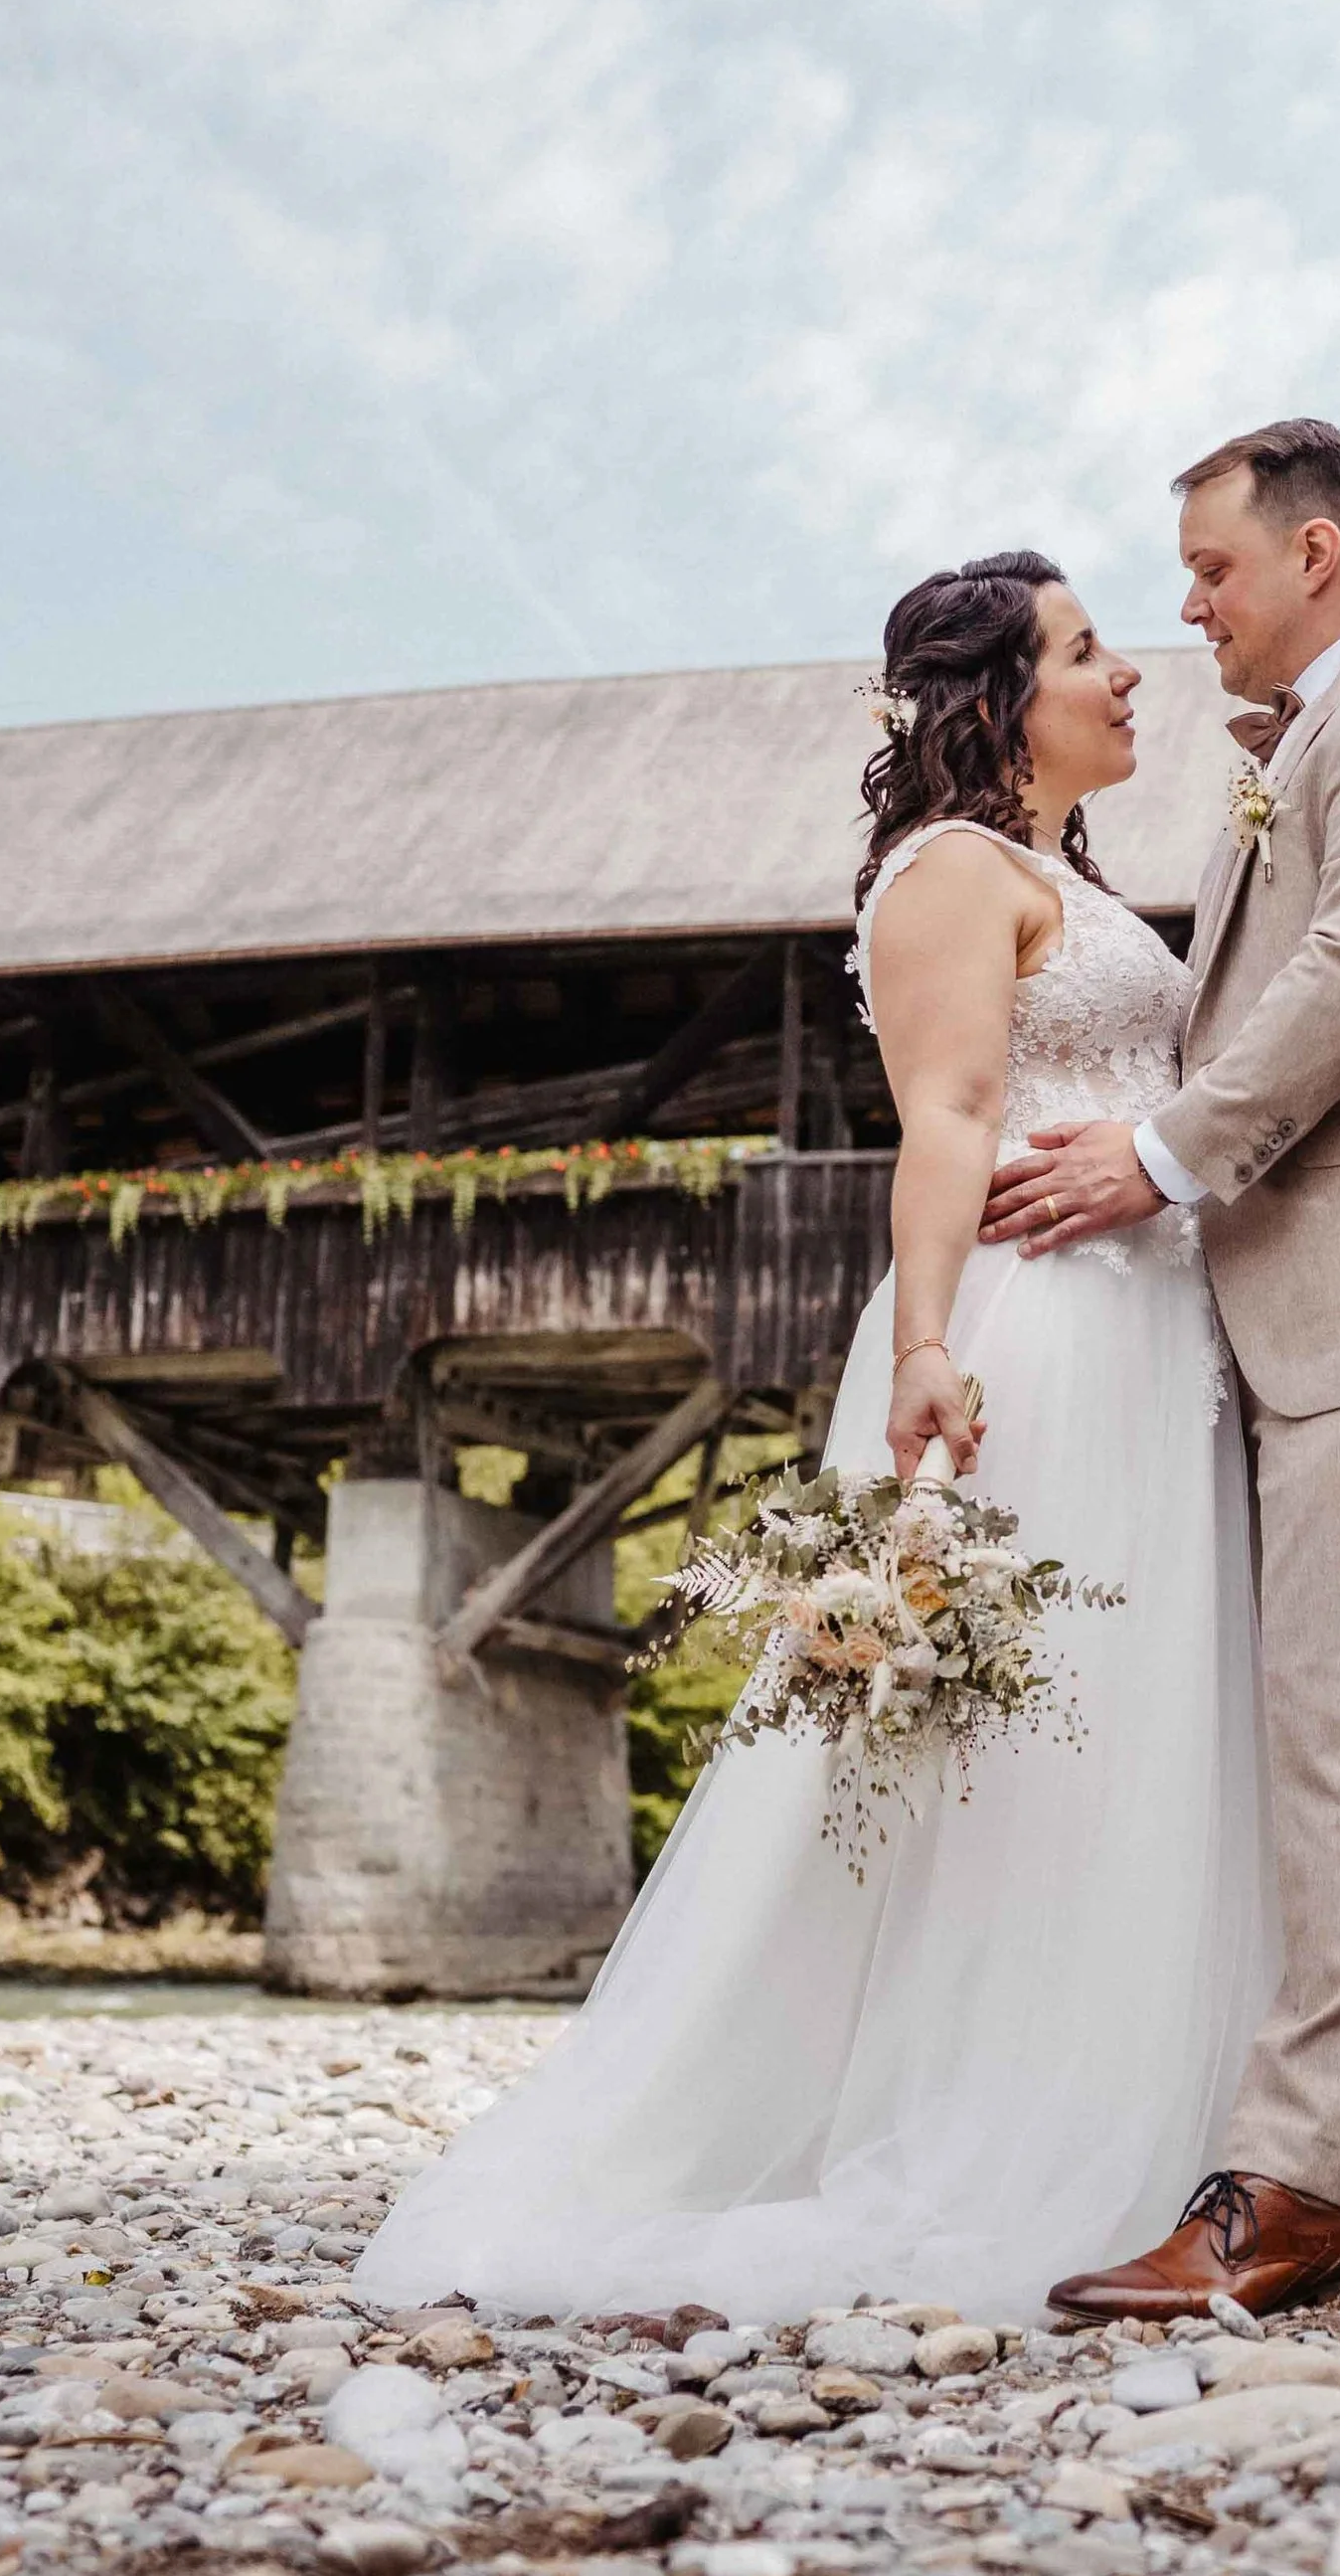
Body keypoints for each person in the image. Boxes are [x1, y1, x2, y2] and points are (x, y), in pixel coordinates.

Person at [357, 553, 1276, 2321]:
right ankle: (991, 2123)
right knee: (1030, 1741)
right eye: (1089, 651)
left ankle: (1161, 2113)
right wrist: (929, 1345)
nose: (1131, 676)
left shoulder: (1059, 876)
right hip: (1047, 1334)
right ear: (996, 698)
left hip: (1159, 1336)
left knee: (1142, 1721)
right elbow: (944, 1112)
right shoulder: (949, 873)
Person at [982, 420, 1340, 2320]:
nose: (1188, 604)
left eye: (1213, 569)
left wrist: (1158, 1153)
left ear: (1317, 555)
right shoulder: (1313, 746)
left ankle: (1298, 2191)